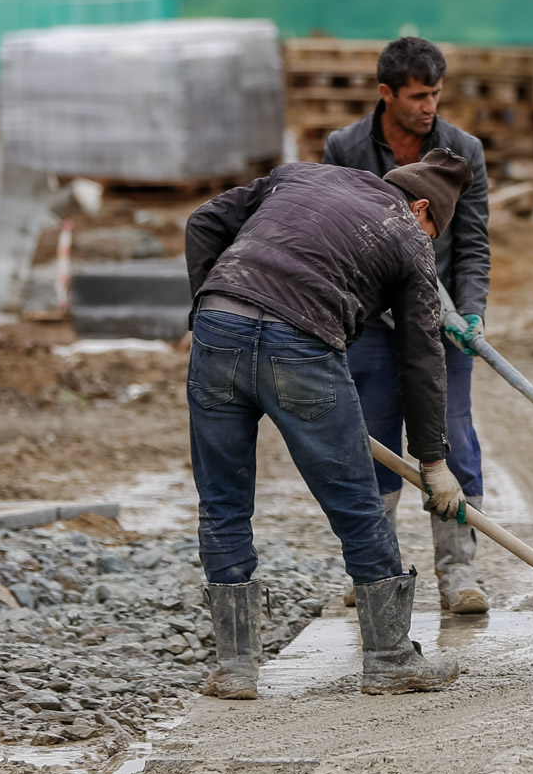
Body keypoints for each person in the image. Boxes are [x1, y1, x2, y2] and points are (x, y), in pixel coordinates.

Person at [184, 150, 472, 698]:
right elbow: (421, 358)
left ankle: (235, 668)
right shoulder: (409, 238)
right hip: (302, 343)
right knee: (357, 502)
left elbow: (203, 221)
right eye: (434, 228)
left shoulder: (301, 174)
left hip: (218, 327)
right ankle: (388, 659)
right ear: (420, 206)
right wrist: (433, 461)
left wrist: (205, 311)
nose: (429, 241)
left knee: (222, 500)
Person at [321, 37, 493, 613]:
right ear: (386, 94)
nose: (429, 106)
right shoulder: (345, 148)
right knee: (370, 443)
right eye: (418, 96)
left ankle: (458, 574)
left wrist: (470, 311)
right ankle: (375, 572)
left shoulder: (461, 150)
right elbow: (335, 239)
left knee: (453, 439)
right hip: (370, 324)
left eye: (436, 95)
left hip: (443, 325)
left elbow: (471, 243)